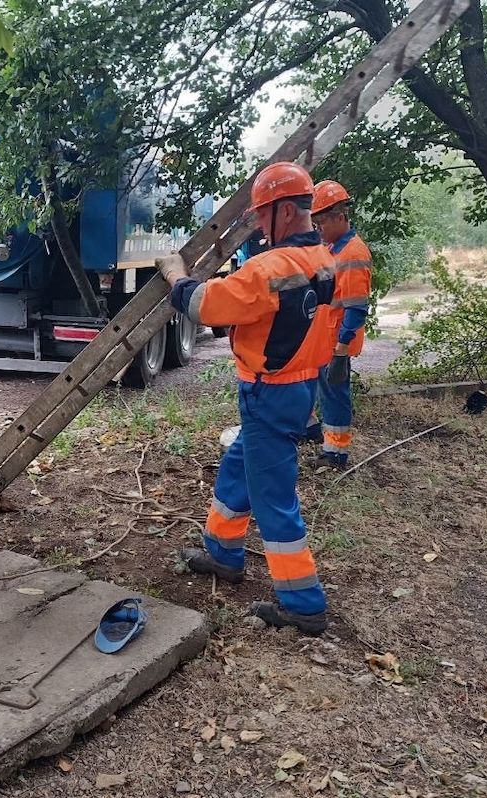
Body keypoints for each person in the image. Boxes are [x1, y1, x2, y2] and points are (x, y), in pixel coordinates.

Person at [155, 161, 335, 635]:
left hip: (269, 393)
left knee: (273, 497)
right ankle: (222, 552)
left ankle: (303, 603)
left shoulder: (272, 267)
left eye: (261, 215)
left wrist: (177, 276)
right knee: (239, 463)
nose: (257, 224)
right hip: (299, 386)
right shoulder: (324, 258)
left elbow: (207, 306)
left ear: (283, 211)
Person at [310, 180, 372, 469]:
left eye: (322, 221)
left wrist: (341, 349)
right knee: (314, 387)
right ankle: (311, 432)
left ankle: (335, 453)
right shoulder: (333, 249)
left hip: (336, 341)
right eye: (315, 222)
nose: (318, 228)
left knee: (335, 395)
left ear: (340, 216)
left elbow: (356, 307)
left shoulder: (353, 254)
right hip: (324, 337)